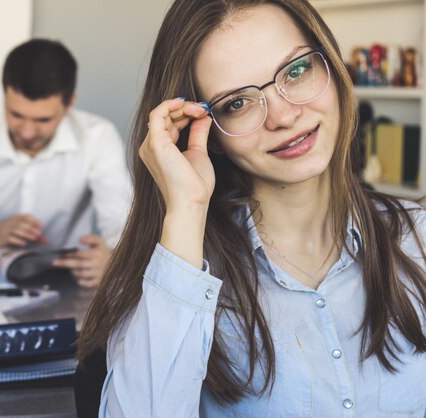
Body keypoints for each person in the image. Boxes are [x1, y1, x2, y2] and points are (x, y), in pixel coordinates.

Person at [77, 0, 426, 416]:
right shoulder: (173, 279)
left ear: (331, 67)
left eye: (296, 71)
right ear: (205, 130)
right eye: (236, 103)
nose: (282, 115)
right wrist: (186, 207)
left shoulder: (417, 238)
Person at [0, 39, 131, 287]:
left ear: (70, 102)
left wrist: (114, 258)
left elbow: (122, 225)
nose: (27, 132)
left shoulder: (97, 137)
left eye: (43, 119)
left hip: (66, 282)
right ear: (4, 94)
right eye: (16, 115)